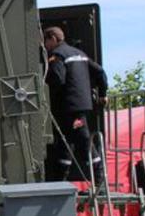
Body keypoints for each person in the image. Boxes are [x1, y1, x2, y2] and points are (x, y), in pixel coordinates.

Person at [43, 26, 108, 182]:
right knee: (65, 143)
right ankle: (59, 181)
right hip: (82, 105)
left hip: (69, 107)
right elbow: (100, 72)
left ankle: (99, 181)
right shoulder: (80, 54)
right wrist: (102, 94)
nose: (45, 46)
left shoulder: (57, 55)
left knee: (84, 142)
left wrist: (46, 95)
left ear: (52, 38)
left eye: (45, 41)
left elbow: (58, 79)